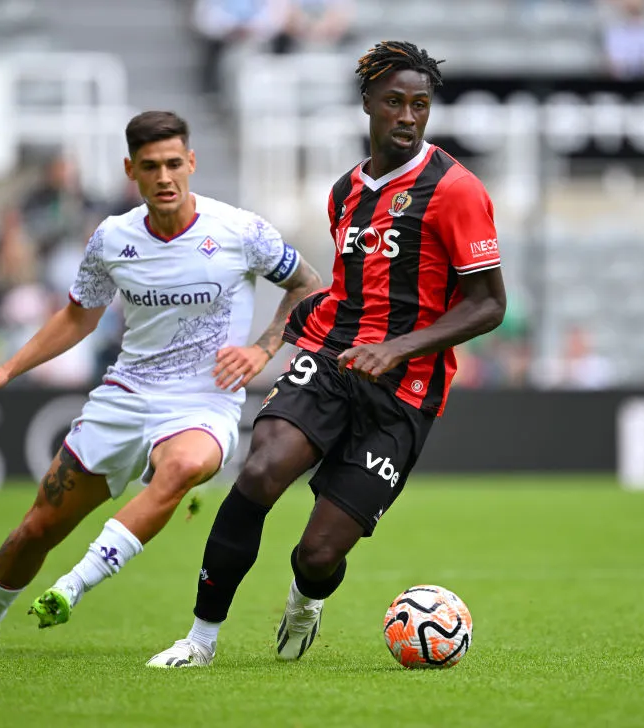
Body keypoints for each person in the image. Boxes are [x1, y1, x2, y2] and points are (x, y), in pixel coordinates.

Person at [149, 41, 506, 668]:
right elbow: (343, 292)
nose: (407, 117)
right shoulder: (345, 191)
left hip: (405, 391)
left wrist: (398, 348)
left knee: (316, 555)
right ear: (366, 103)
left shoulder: (456, 190)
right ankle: (200, 640)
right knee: (259, 474)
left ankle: (305, 602)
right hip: (334, 362)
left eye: (420, 105)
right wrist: (277, 339)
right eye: (394, 102)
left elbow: (488, 304)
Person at [0, 110, 322, 653]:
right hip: (126, 395)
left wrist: (264, 347)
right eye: (151, 166)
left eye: (174, 163)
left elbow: (307, 284)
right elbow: (79, 315)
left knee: (182, 468)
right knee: (37, 527)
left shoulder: (240, 231)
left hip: (203, 400)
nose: (165, 177)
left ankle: (73, 585)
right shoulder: (113, 238)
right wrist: (8, 368)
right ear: (131, 170)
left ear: (192, 162)